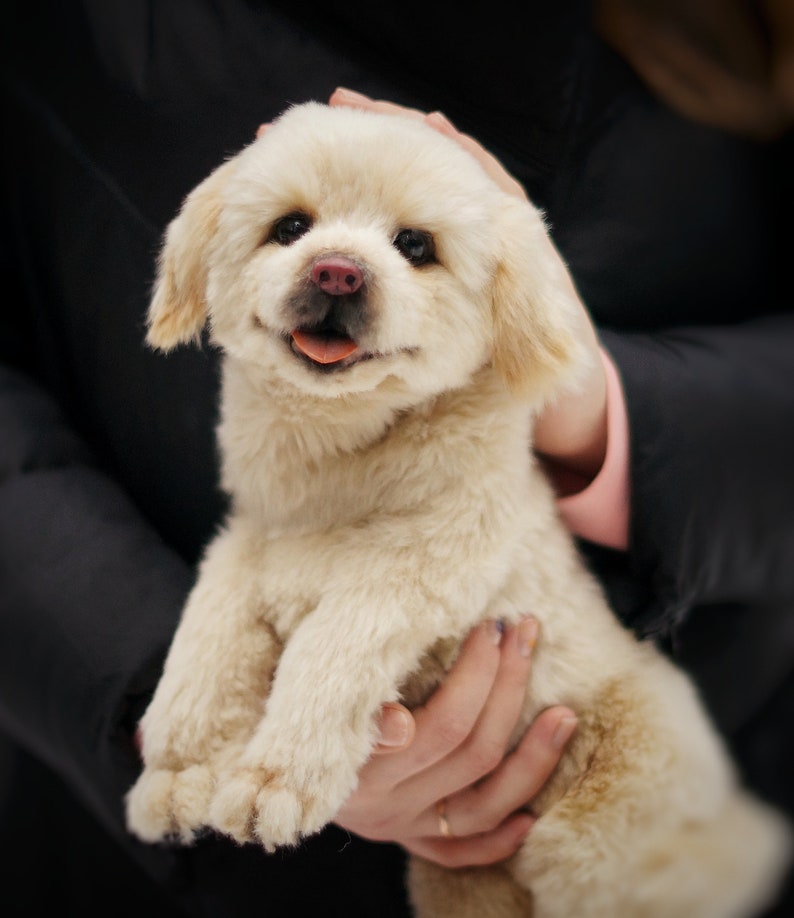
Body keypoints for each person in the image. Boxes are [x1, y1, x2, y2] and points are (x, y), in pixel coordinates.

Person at [1, 1, 791, 916]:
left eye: (414, 247)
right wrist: (163, 699)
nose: (339, 271)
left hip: (678, 798)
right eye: (293, 228)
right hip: (133, 839)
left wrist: (598, 414)